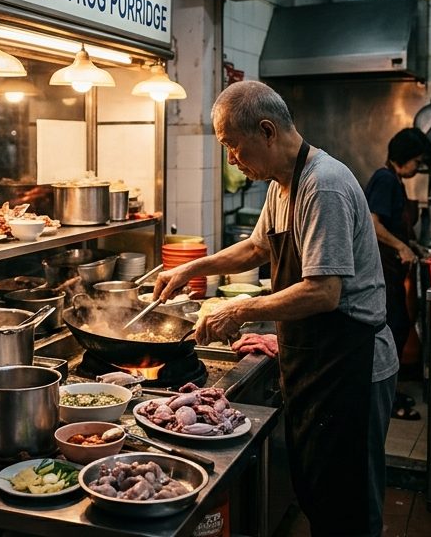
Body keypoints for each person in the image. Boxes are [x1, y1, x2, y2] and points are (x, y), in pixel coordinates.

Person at [153, 81, 396, 536]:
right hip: (317, 361)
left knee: (351, 505)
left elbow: (324, 292)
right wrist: (192, 268)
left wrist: (238, 310)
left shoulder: (323, 185)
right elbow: (257, 248)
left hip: (353, 365)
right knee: (321, 496)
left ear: (266, 131)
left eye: (232, 145)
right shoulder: (282, 186)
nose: (231, 159)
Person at [366, 128, 427, 421]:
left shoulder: (394, 180)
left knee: (398, 328)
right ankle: (384, 400)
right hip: (380, 270)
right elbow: (373, 223)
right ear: (404, 157)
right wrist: (401, 246)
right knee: (393, 330)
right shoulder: (385, 179)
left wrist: (412, 245)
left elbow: (393, 224)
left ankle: (389, 393)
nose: (418, 167)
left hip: (390, 271)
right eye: (417, 161)